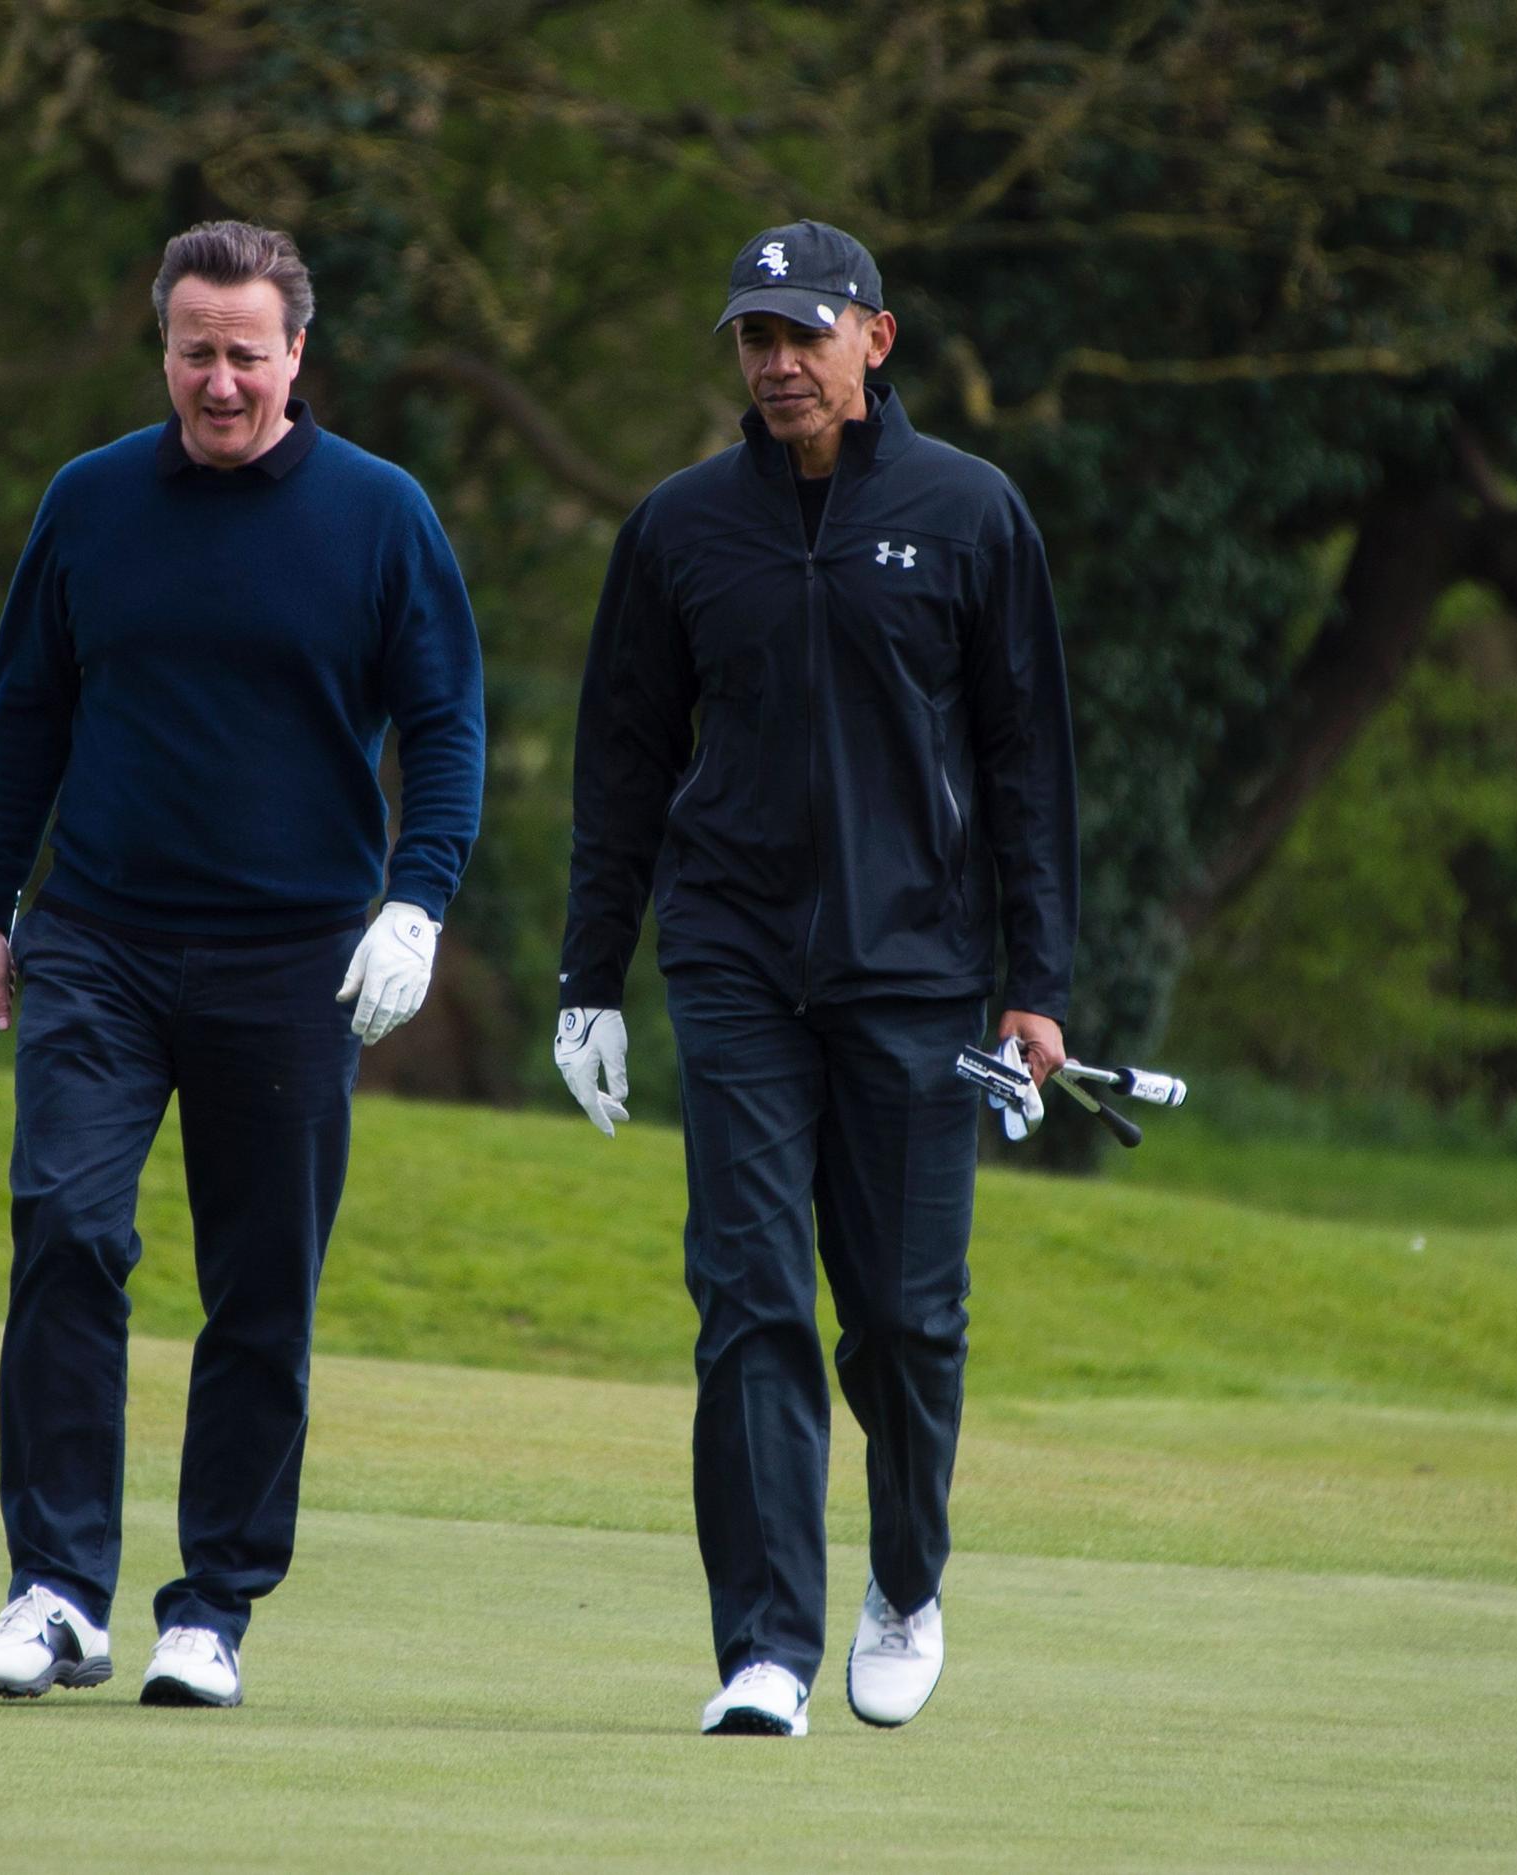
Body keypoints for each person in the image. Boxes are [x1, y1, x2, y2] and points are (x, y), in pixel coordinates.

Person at [0, 220, 485, 1711]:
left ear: (298, 353)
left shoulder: (381, 515)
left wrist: (416, 903)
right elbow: (25, 711)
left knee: (261, 1290)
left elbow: (446, 724)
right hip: (99, 938)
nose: (223, 379)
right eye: (198, 349)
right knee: (66, 1230)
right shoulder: (93, 501)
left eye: (250, 351)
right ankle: (54, 1592)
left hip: (296, 959)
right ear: (163, 348)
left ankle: (214, 1608)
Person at [553, 219, 1076, 1737]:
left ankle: (904, 1579)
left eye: (804, 333)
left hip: (918, 972)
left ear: (876, 340)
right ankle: (766, 1646)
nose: (776, 361)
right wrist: (593, 970)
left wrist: (1034, 985)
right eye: (753, 338)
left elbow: (1027, 763)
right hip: (731, 963)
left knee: (906, 1319)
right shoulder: (677, 528)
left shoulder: (972, 515)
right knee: (748, 1295)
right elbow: (625, 760)